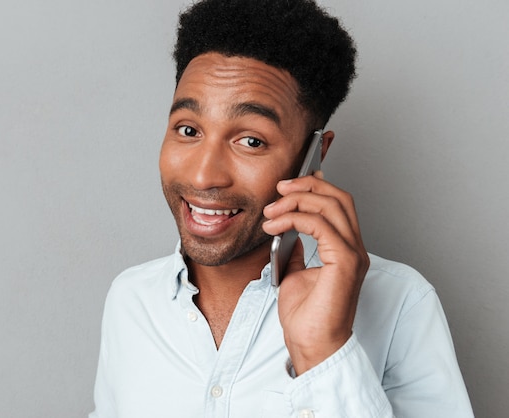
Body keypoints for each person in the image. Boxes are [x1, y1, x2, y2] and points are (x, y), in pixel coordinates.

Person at [90, 0, 473, 416]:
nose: (203, 176)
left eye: (251, 141)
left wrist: (323, 352)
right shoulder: (131, 299)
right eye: (188, 130)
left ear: (314, 155)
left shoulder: (402, 304)